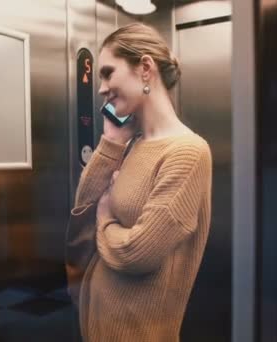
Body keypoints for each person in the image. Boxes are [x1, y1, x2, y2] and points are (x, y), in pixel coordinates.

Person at [71, 23, 212, 342]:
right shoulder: (132, 144)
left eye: (107, 73)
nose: (101, 88)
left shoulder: (187, 152)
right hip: (101, 328)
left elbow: (138, 253)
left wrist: (105, 221)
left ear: (145, 68)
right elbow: (84, 206)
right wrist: (111, 140)